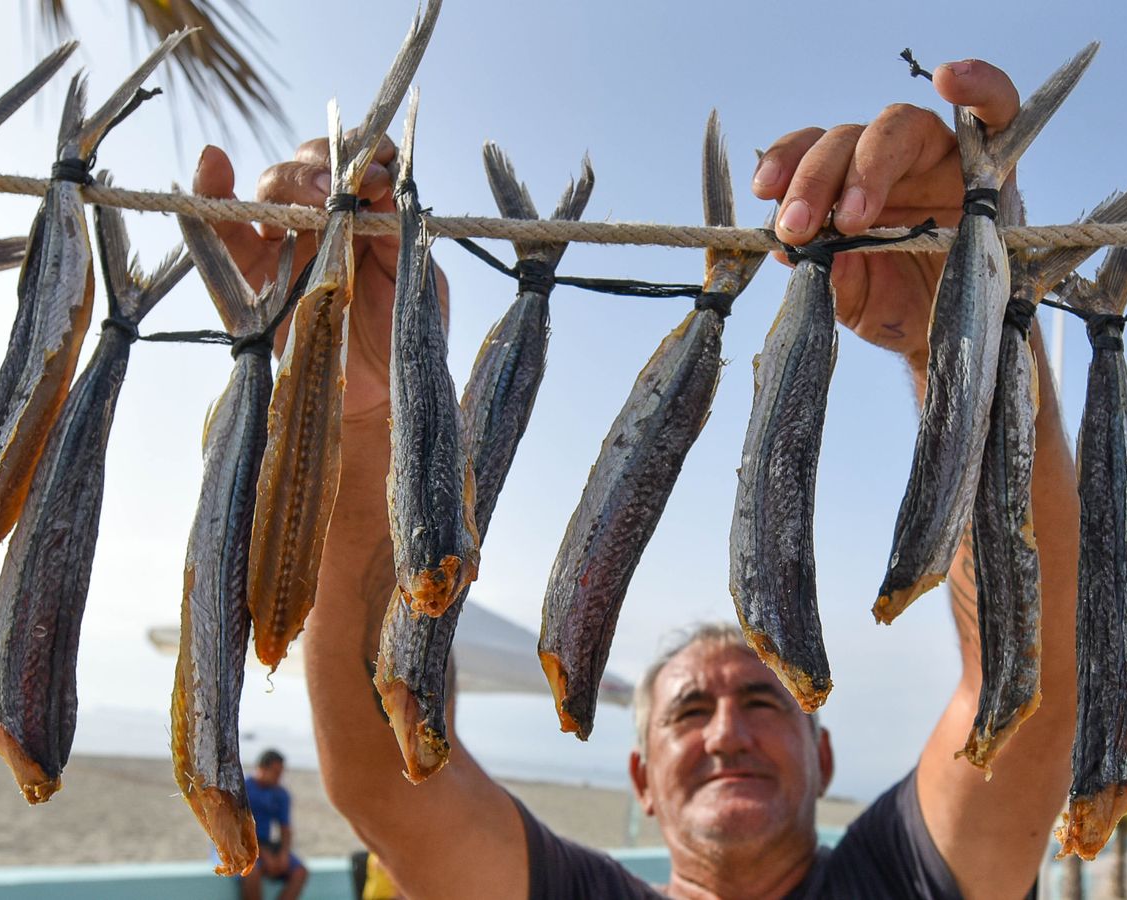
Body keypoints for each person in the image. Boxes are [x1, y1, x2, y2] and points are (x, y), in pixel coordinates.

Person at [196, 56, 1080, 899]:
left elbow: (1026, 694)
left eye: (764, 701)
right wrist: (358, 414)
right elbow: (385, 776)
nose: (727, 734)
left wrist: (964, 338)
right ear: (640, 776)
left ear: (825, 757)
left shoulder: (909, 883)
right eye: (688, 713)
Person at [242, 749, 309, 900]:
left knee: (300, 872)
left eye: (281, 773)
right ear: (262, 768)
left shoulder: (280, 794)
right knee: (252, 872)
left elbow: (285, 828)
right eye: (276, 773)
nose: (279, 777)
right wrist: (264, 854)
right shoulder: (243, 789)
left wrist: (283, 854)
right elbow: (239, 830)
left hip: (265, 844)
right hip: (241, 845)